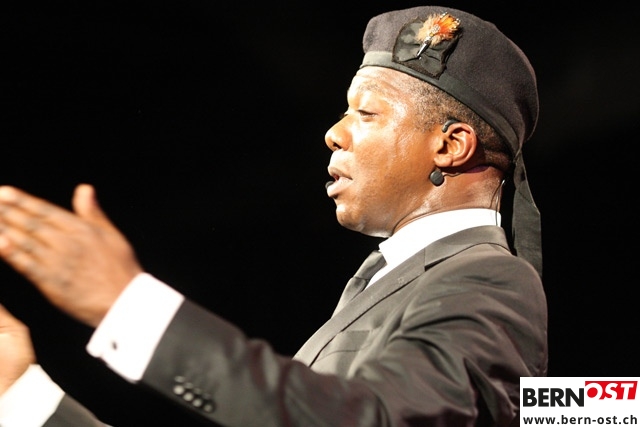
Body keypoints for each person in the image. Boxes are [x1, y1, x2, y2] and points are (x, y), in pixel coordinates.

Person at [0, 5, 547, 426]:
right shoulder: (389, 287)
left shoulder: (488, 279)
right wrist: (21, 394)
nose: (334, 133)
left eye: (366, 112)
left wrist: (128, 306)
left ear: (450, 146)